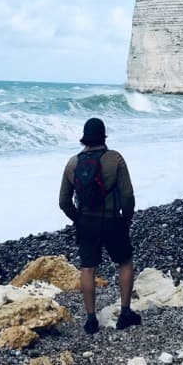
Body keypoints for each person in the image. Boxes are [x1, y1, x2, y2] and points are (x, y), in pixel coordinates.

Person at [59, 117, 141, 334]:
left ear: (84, 138)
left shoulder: (73, 163)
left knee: (88, 268)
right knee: (124, 262)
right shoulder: (115, 159)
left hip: (86, 222)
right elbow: (128, 195)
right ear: (103, 136)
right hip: (112, 219)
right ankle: (125, 313)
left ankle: (90, 320)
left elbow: (63, 201)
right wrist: (127, 218)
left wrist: (77, 218)